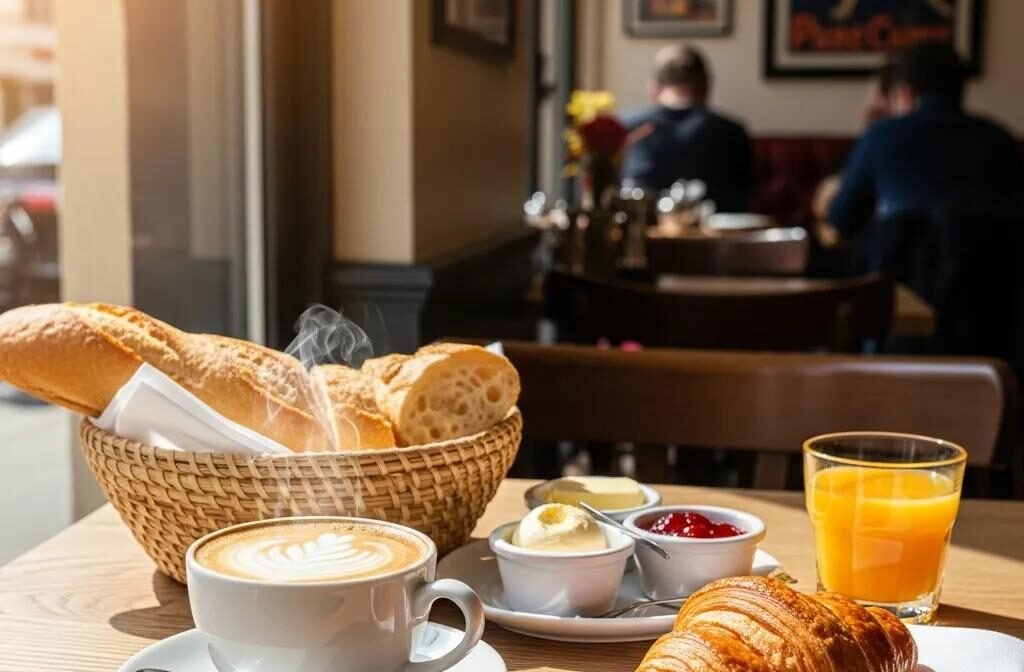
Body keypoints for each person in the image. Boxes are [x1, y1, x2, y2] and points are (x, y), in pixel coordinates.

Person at [827, 42, 1024, 265]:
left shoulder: (882, 135)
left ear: (904, 94)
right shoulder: (999, 139)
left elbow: (842, 220)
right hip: (991, 292)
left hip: (902, 293)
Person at [621, 45, 752, 213]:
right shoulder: (732, 132)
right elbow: (743, 199)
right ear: (706, 87)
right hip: (713, 237)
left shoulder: (625, 127)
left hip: (643, 235)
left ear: (654, 88)